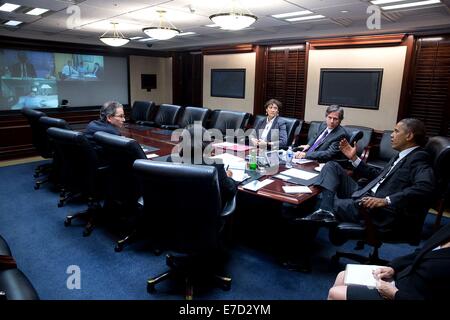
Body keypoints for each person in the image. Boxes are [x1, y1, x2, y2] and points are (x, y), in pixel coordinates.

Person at [283, 118, 435, 272]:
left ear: (409, 136)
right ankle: (327, 210)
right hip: (365, 192)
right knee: (332, 166)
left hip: (375, 209)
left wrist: (386, 201)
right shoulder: (401, 155)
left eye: (396, 131)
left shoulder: (419, 158)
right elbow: (379, 175)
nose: (391, 135)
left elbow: (425, 188)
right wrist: (354, 159)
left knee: (311, 203)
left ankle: (300, 260)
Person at [328, 222, 450, 300]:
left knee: (335, 293)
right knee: (343, 276)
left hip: (406, 295)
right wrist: (393, 268)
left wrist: (395, 294)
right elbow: (421, 252)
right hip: (404, 278)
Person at [169, 124, 238, 210]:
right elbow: (230, 190)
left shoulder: (171, 160)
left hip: (175, 216)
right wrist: (227, 177)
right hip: (207, 220)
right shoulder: (215, 167)